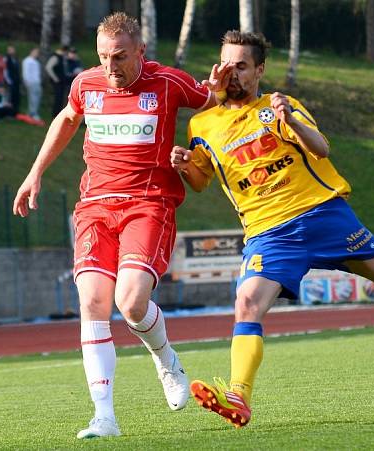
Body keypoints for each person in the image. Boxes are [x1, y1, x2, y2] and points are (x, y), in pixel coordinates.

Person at [171, 31, 374, 429]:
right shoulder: (202, 124)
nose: (232, 73)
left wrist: (290, 122)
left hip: (323, 214)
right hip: (269, 234)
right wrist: (185, 165)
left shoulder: (276, 106)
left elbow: (321, 148)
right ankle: (239, 396)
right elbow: (202, 180)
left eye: (242, 65)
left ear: (259, 70)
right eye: (226, 64)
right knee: (247, 303)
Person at [12, 12, 223, 439]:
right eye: (105, 57)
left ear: (140, 52)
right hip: (94, 207)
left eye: (121, 57)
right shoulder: (86, 84)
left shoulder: (167, 82)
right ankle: (104, 416)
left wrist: (214, 110)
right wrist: (35, 172)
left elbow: (213, 107)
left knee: (130, 304)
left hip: (149, 204)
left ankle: (166, 360)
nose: (112, 67)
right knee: (92, 302)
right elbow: (67, 119)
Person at [45, 45, 68, 117]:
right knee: (58, 98)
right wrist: (55, 78)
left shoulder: (61, 57)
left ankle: (58, 113)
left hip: (61, 82)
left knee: (60, 98)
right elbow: (48, 67)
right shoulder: (55, 57)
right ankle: (55, 114)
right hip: (57, 82)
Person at [22, 47, 42, 120]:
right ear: (31, 52)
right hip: (31, 82)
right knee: (33, 98)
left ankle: (32, 112)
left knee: (37, 98)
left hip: (37, 82)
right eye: (36, 52)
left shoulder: (36, 62)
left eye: (37, 52)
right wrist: (26, 81)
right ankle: (33, 113)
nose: (37, 54)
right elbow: (25, 72)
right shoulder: (27, 61)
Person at [3, 45, 21, 113]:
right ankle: (9, 111)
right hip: (10, 81)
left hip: (16, 80)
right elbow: (5, 70)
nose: (11, 51)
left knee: (16, 96)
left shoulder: (16, 58)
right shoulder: (5, 58)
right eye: (10, 50)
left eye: (12, 49)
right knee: (9, 96)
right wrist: (8, 80)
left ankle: (16, 111)